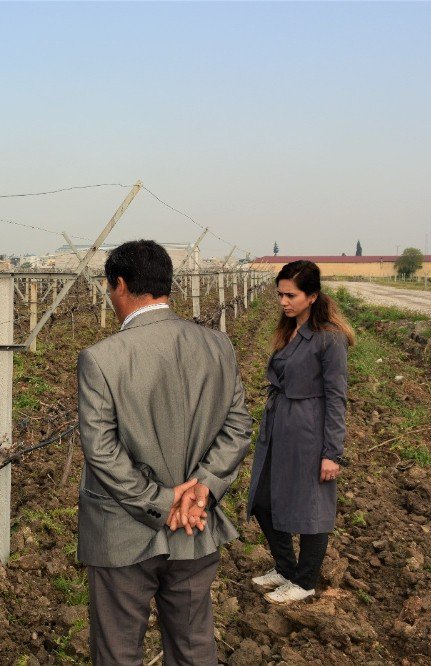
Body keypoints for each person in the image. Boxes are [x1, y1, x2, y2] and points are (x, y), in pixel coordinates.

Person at [77, 240, 253, 665]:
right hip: (195, 528)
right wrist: (202, 490)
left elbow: (101, 450)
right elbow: (238, 427)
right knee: (194, 646)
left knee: (118, 650)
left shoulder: (101, 359)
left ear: (119, 285)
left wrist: (161, 501)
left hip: (122, 534)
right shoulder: (217, 346)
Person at [247, 260, 353, 604]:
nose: (283, 301)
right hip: (279, 424)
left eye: (290, 295)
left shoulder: (329, 339)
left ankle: (305, 581)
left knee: (311, 507)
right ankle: (285, 567)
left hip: (309, 430)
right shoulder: (288, 329)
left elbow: (337, 397)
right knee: (263, 499)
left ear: (312, 296)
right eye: (280, 294)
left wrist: (331, 453)